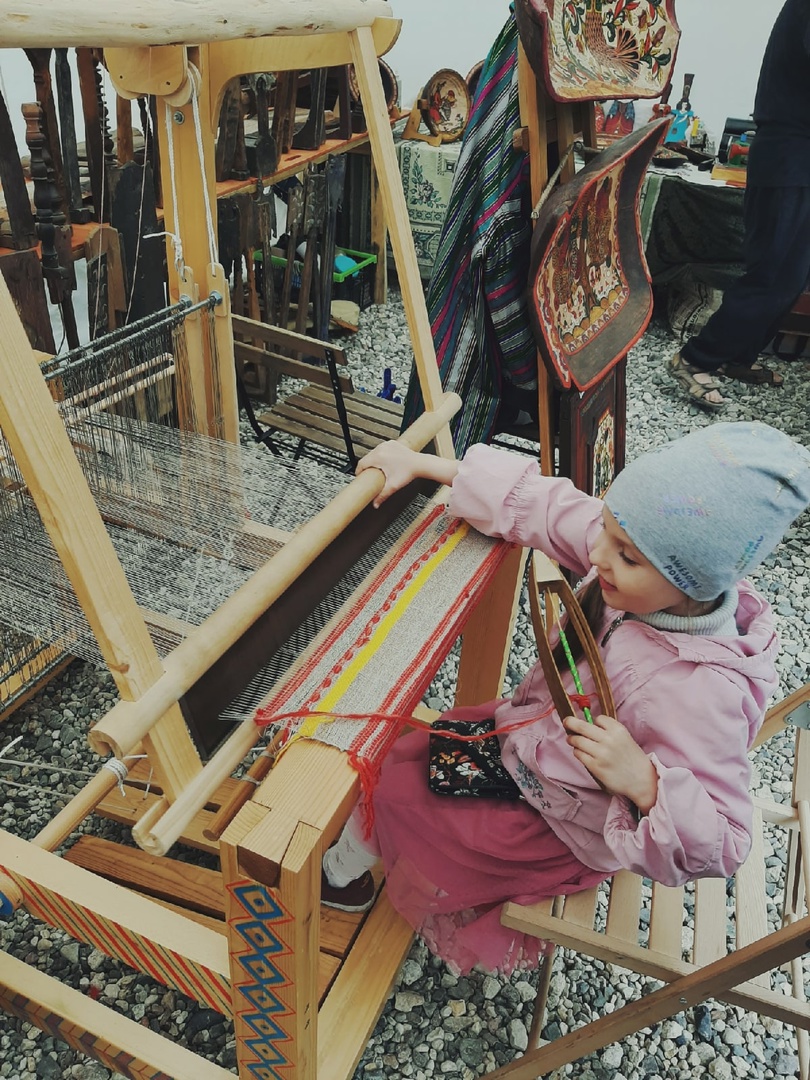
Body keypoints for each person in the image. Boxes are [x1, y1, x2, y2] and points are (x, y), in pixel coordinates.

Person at [320, 422, 810, 977]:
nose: (597, 554)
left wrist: (645, 783)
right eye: (607, 527)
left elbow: (725, 842)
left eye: (624, 554)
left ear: (692, 582)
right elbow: (552, 507)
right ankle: (358, 853)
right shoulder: (647, 568)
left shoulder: (696, 691)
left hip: (556, 821)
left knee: (399, 790)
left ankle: (340, 877)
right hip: (539, 746)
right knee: (422, 750)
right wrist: (433, 469)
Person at [668, 0, 810, 411]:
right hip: (790, 153)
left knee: (792, 275)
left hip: (795, 155)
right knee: (773, 274)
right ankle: (694, 359)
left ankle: (735, 357)